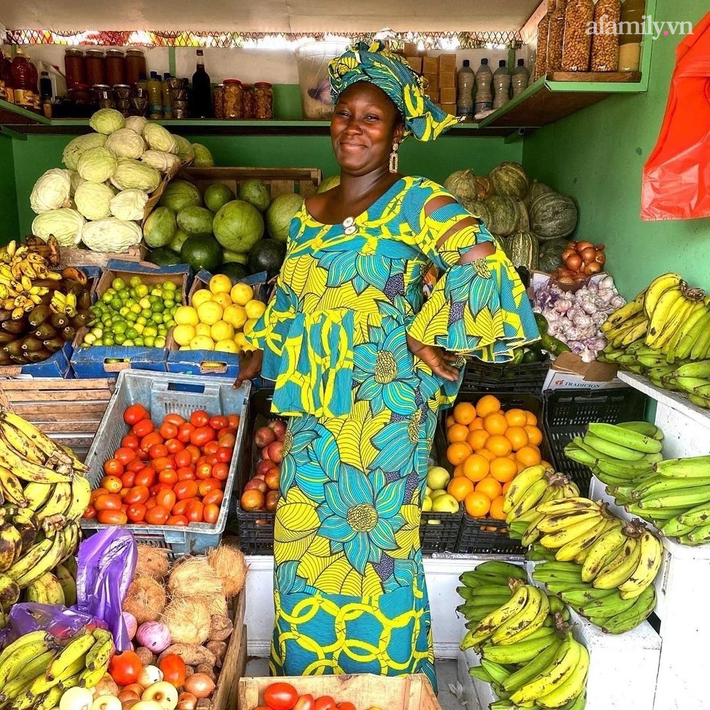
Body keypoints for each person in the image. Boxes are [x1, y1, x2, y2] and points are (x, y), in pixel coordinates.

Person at [235, 41, 539, 688]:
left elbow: (481, 257)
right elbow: (293, 298)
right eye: (346, 114)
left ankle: (391, 686)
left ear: (397, 131)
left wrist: (442, 334)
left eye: (373, 118)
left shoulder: (417, 202)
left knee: (379, 551)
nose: (355, 128)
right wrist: (262, 346)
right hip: (314, 407)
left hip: (387, 411)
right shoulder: (312, 211)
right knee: (300, 540)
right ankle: (311, 685)